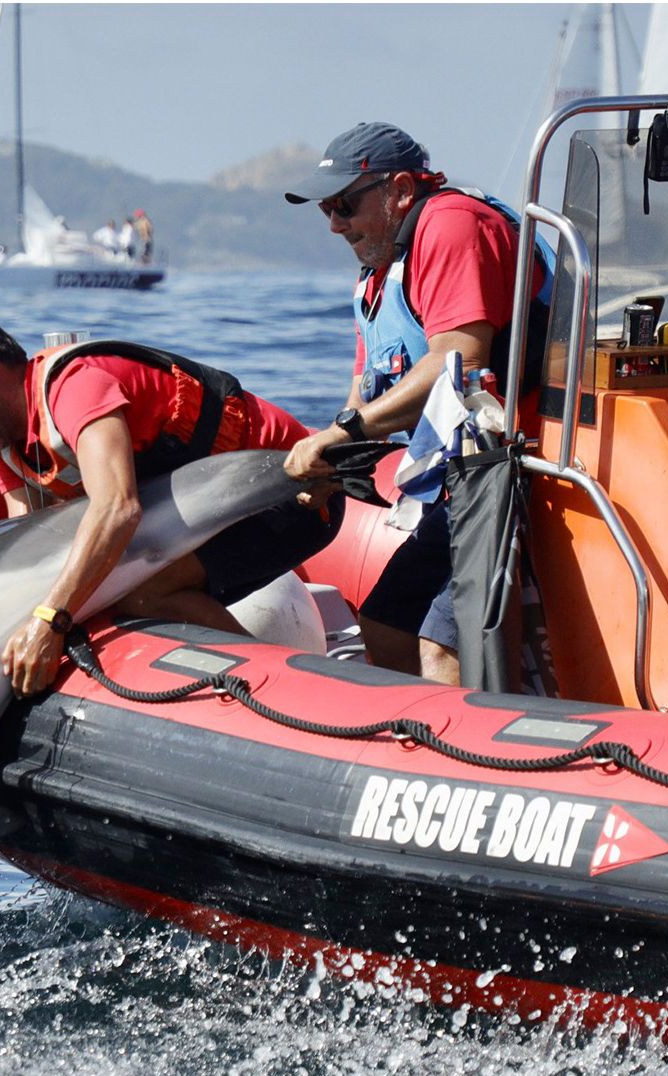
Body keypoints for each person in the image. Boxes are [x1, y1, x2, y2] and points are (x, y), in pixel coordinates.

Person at [0, 305, 343, 699]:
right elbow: (29, 552)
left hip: (290, 494)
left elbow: (118, 509)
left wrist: (50, 621)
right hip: (206, 518)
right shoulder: (7, 448)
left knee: (141, 592)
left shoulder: (73, 388)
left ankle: (278, 691)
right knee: (90, 591)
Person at [280, 121, 550, 685]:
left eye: (345, 205)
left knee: (439, 644)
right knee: (386, 624)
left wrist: (340, 434)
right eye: (324, 209)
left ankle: (458, 754)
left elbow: (459, 362)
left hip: (510, 472)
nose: (334, 224)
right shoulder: (376, 277)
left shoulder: (453, 227)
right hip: (459, 478)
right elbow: (365, 393)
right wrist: (334, 461)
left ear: (401, 189)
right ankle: (407, 741)